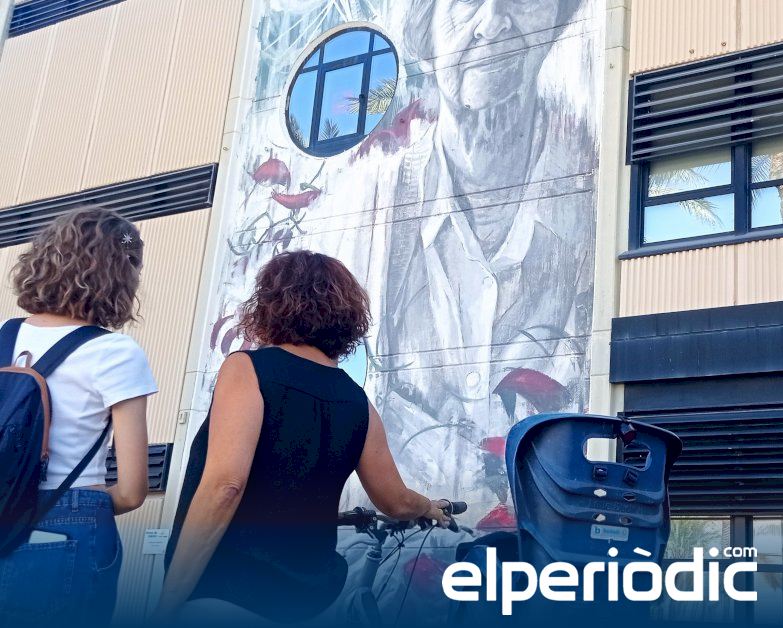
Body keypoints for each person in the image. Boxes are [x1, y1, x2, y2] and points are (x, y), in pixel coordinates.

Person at [370, 0, 595, 521]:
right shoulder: (371, 207)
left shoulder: (592, 190)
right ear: (424, 32)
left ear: (558, 21)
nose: (493, 23)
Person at [155, 250, 451, 624]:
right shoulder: (358, 402)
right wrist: (427, 506)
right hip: (310, 604)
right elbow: (396, 501)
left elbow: (225, 486)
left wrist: (168, 601)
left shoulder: (247, 369)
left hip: (229, 594)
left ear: (270, 304)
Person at [0, 206, 157, 625]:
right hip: (67, 519)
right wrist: (82, 505)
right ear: (120, 276)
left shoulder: (3, 335)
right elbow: (132, 491)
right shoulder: (114, 352)